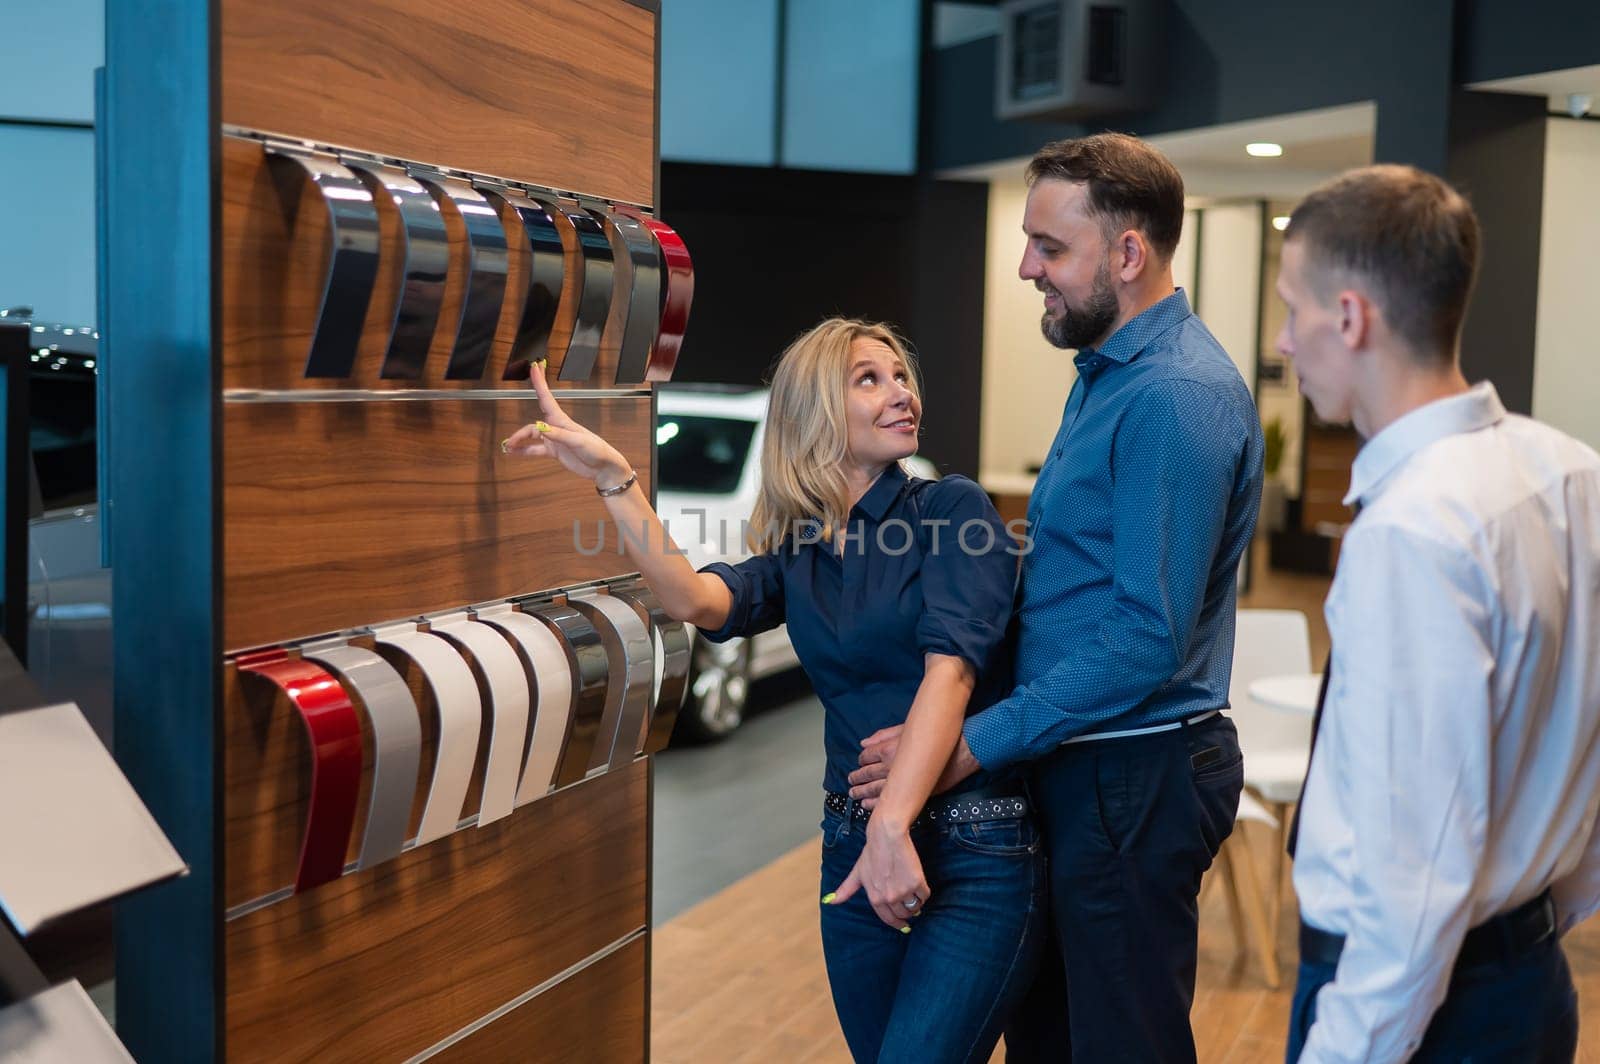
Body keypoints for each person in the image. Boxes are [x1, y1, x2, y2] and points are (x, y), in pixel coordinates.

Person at [500, 318, 1044, 1063]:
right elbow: (693, 600)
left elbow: (949, 672)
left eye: (901, 376)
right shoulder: (802, 550)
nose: (902, 392)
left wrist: (891, 830)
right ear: (817, 412)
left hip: (972, 846)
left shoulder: (952, 513)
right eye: (869, 378)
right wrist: (612, 477)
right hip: (852, 844)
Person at [849, 132, 1264, 1062]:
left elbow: (1144, 641)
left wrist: (965, 747)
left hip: (1135, 771)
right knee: (1052, 1041)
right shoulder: (1110, 375)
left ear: (1128, 253)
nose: (1026, 266)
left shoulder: (1173, 395)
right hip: (1089, 763)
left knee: (1117, 1047)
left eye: (1050, 246)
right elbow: (1074, 583)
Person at [1272, 164, 1600, 1062]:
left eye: (1290, 309)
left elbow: (1412, 881)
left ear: (1350, 317)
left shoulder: (1412, 530)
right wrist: (1544, 906)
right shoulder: (1573, 470)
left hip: (1423, 1012)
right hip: (1525, 978)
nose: (1282, 342)